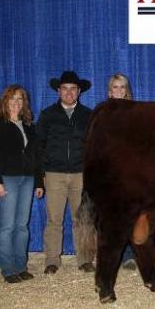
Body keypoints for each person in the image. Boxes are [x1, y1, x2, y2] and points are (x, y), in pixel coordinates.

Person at [37, 71, 95, 274]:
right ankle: (52, 260)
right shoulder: (47, 115)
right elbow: (39, 145)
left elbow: (94, 146)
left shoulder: (88, 115)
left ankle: (85, 259)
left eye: (73, 89)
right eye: (65, 88)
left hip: (81, 174)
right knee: (54, 219)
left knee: (83, 218)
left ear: (79, 91)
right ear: (58, 91)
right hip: (54, 174)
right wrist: (41, 174)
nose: (69, 92)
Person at [0, 85, 44, 283]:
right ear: (5, 101)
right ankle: (8, 269)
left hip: (27, 179)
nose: (16, 102)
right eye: (13, 98)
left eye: (20, 99)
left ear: (24, 103)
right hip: (8, 179)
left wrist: (39, 182)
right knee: (8, 226)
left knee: (22, 226)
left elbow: (36, 157)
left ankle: (21, 266)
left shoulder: (29, 126)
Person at [106, 73, 138, 270]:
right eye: (115, 87)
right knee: (112, 216)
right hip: (111, 171)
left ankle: (131, 254)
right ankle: (114, 255)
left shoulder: (135, 113)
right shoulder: (103, 113)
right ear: (110, 91)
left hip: (132, 171)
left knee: (133, 215)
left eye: (122, 87)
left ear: (127, 91)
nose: (119, 90)